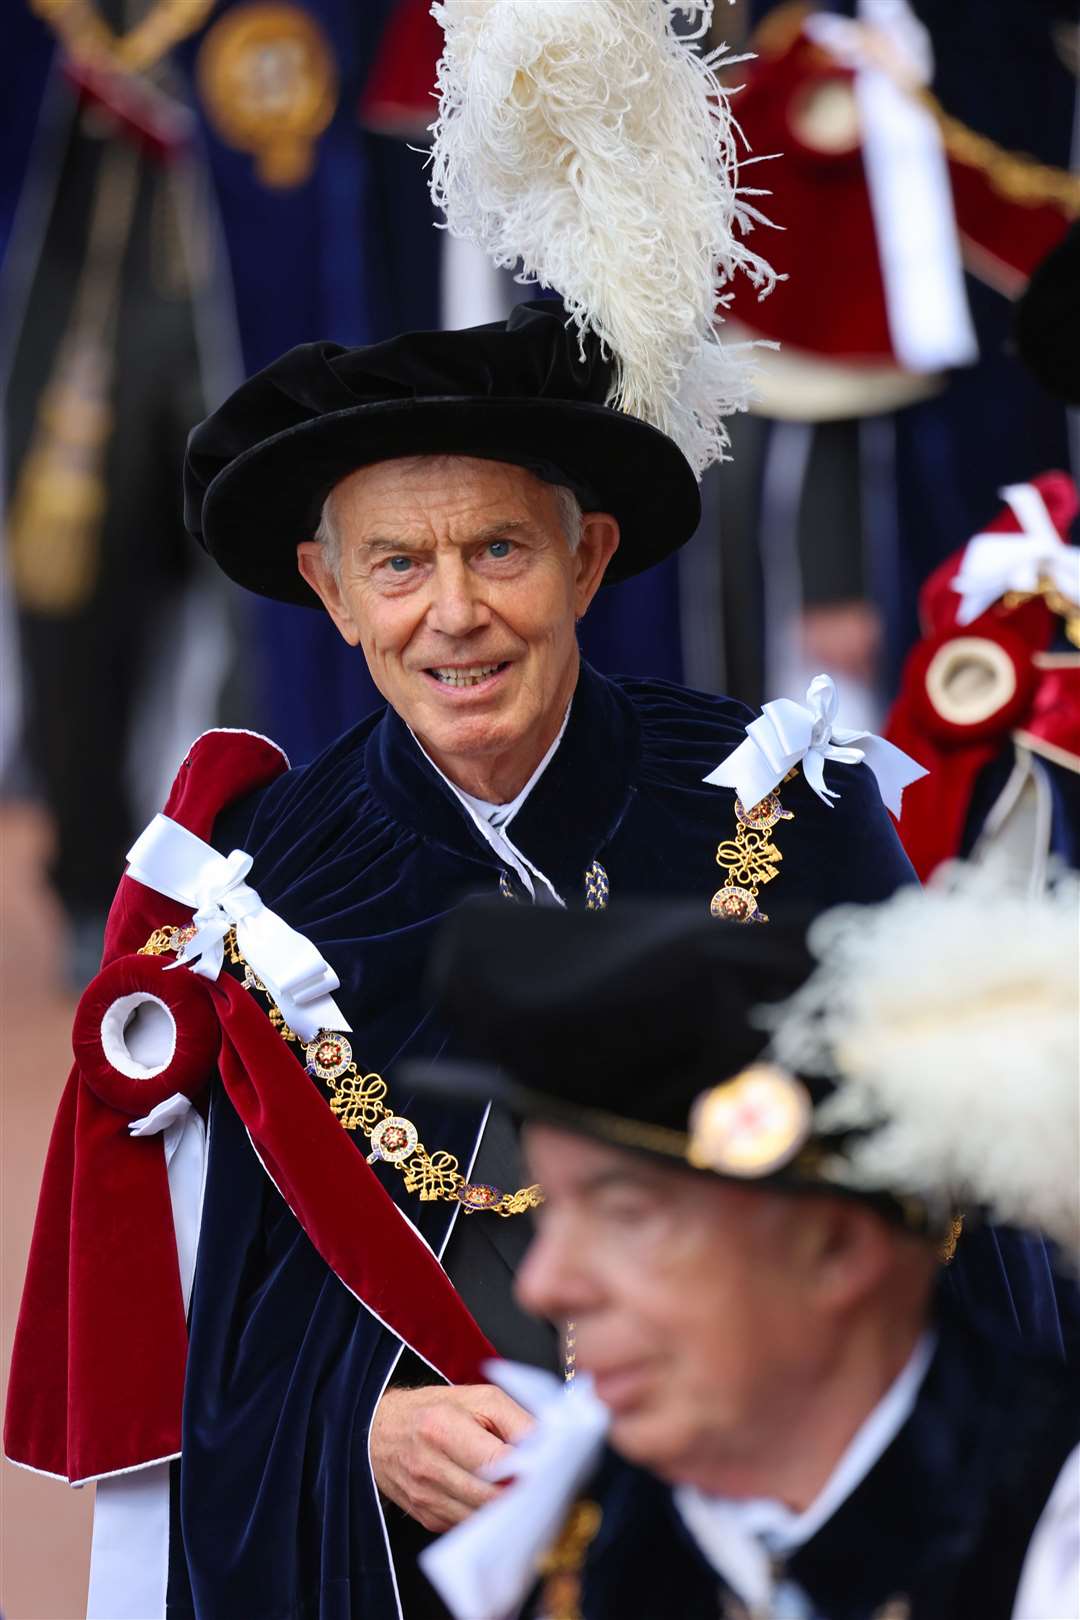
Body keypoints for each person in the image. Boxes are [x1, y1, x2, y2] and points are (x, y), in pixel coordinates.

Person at [413, 876, 1079, 1620]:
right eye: (555, 1208)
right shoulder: (579, 1527)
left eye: (626, 1215)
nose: (545, 1285)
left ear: (835, 1248)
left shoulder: (1051, 1543)